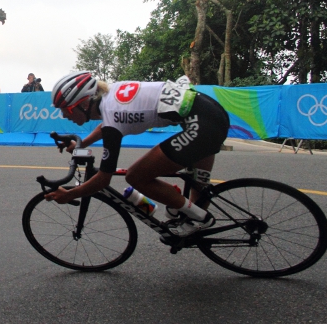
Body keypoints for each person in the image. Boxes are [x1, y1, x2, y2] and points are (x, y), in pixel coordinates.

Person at [44, 72, 230, 236]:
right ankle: (188, 214)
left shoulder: (112, 115)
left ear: (84, 103)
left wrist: (71, 194)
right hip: (210, 114)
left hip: (203, 126)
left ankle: (202, 218)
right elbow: (110, 122)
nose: (65, 116)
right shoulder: (109, 94)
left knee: (136, 176)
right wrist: (82, 143)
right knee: (195, 196)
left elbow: (103, 179)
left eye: (66, 110)